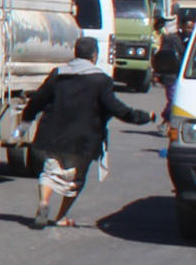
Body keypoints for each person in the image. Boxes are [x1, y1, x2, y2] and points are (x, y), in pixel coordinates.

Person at [23, 37, 148, 228]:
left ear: (75, 53)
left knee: (50, 171)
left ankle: (44, 202)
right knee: (75, 179)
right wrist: (141, 116)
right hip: (84, 139)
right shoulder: (101, 80)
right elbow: (115, 108)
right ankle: (60, 217)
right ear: (94, 55)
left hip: (54, 134)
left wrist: (27, 116)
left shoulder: (58, 74)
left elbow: (39, 99)